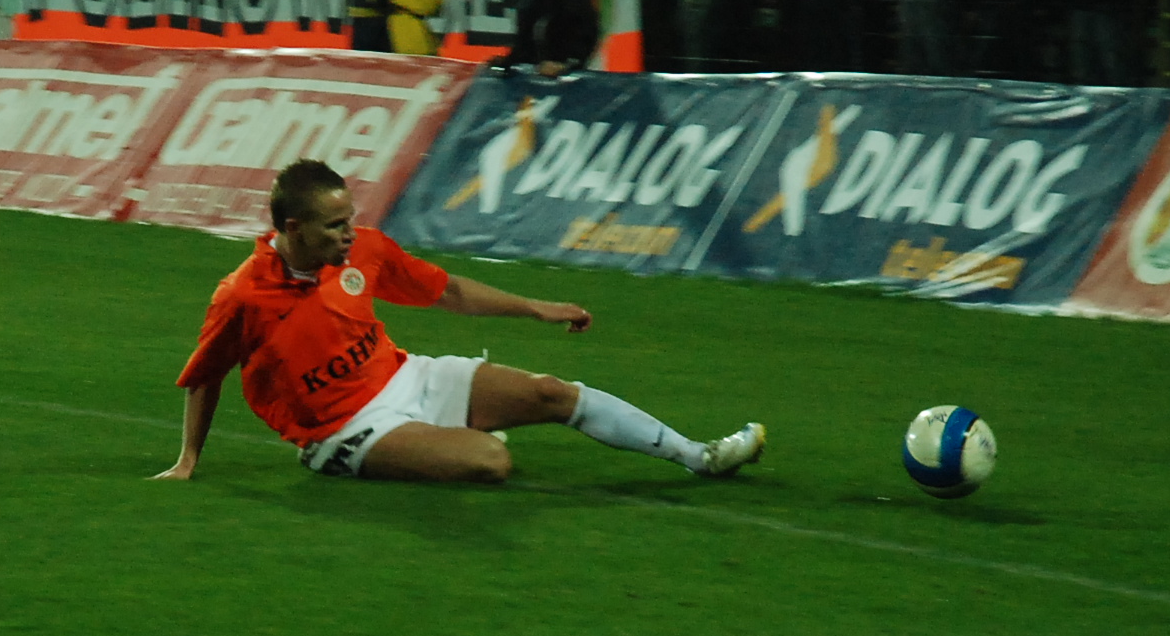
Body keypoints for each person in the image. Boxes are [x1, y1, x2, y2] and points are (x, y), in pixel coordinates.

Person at [158, 158, 764, 487]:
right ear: (294, 229)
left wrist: (535, 307)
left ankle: (699, 455)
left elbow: (447, 292)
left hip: (406, 377)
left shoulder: (365, 250)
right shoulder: (243, 295)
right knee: (489, 463)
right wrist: (189, 459)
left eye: (350, 220)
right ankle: (348, 457)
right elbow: (205, 375)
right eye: (334, 225)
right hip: (344, 429)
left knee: (551, 393)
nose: (349, 234)